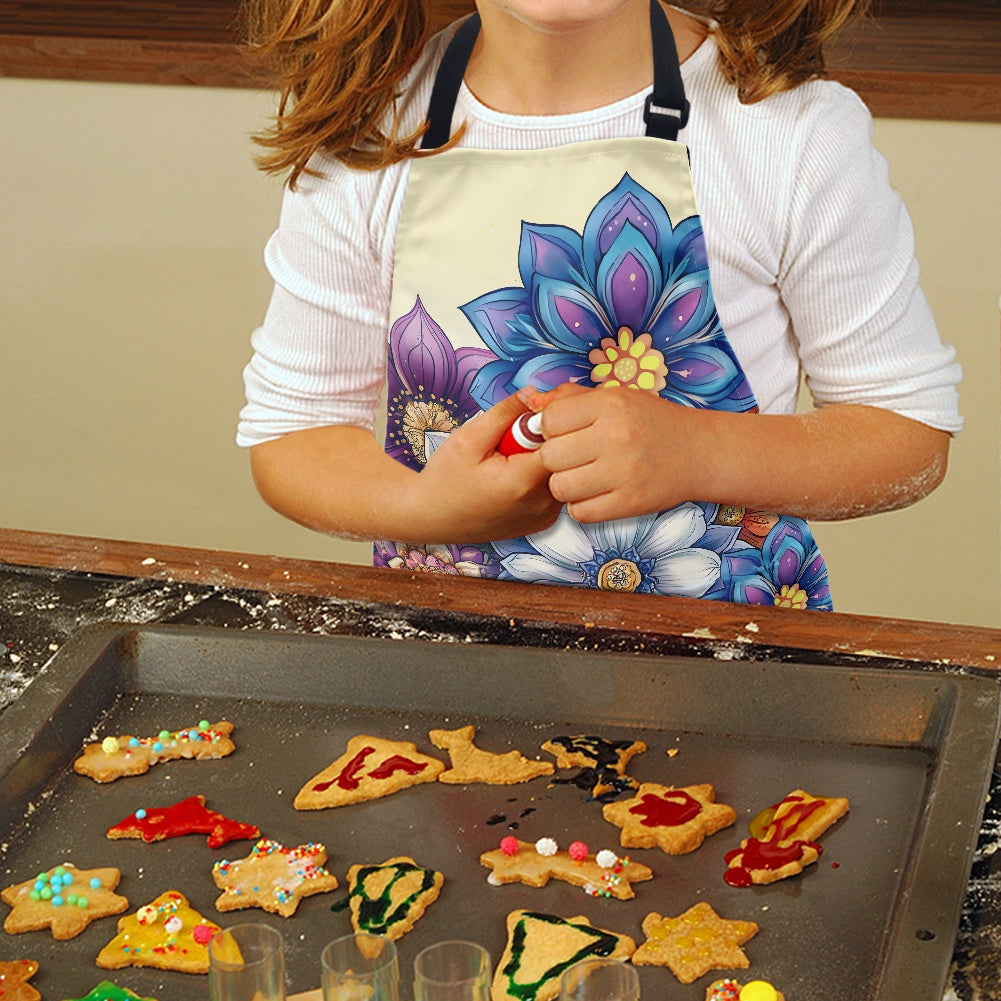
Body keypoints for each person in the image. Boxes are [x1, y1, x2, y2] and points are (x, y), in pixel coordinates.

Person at [237, 0, 962, 609]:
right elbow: (295, 432)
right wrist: (424, 509)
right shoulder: (367, 132)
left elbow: (905, 434)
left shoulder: (789, 132)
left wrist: (698, 450)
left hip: (734, 672)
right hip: (446, 668)